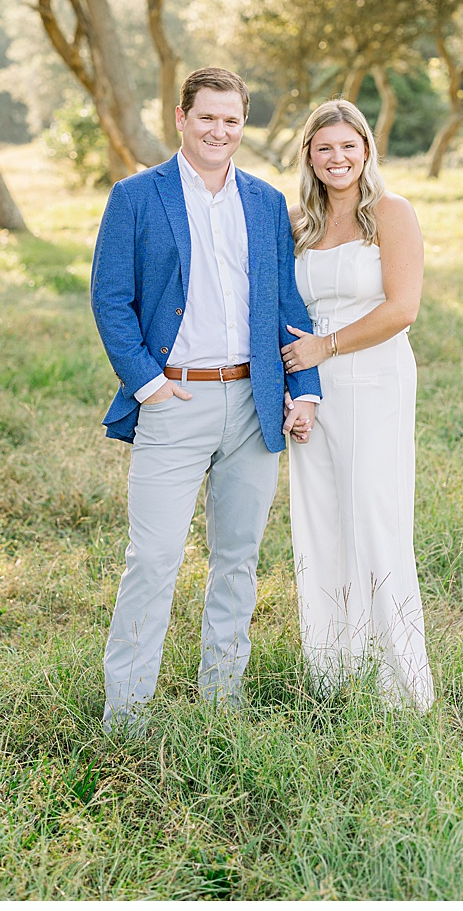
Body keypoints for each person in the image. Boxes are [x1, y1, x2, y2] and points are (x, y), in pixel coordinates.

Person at [90, 67, 321, 730]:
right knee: (154, 559)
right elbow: (112, 299)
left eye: (233, 120)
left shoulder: (265, 201)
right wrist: (149, 385)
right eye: (208, 117)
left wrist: (303, 389)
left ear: (244, 125)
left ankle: (223, 698)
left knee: (237, 559)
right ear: (180, 118)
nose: (220, 131)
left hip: (254, 403)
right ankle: (126, 716)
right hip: (174, 401)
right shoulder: (136, 197)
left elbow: (284, 303)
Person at [280, 98, 434, 711]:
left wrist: (327, 346)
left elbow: (403, 309)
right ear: (310, 158)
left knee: (374, 517)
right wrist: (302, 385)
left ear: (366, 150)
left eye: (349, 146)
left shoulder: (390, 214)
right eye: (325, 149)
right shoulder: (301, 224)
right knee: (320, 521)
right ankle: (335, 673)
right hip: (314, 394)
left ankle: (399, 684)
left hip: (375, 381)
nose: (337, 158)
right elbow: (286, 313)